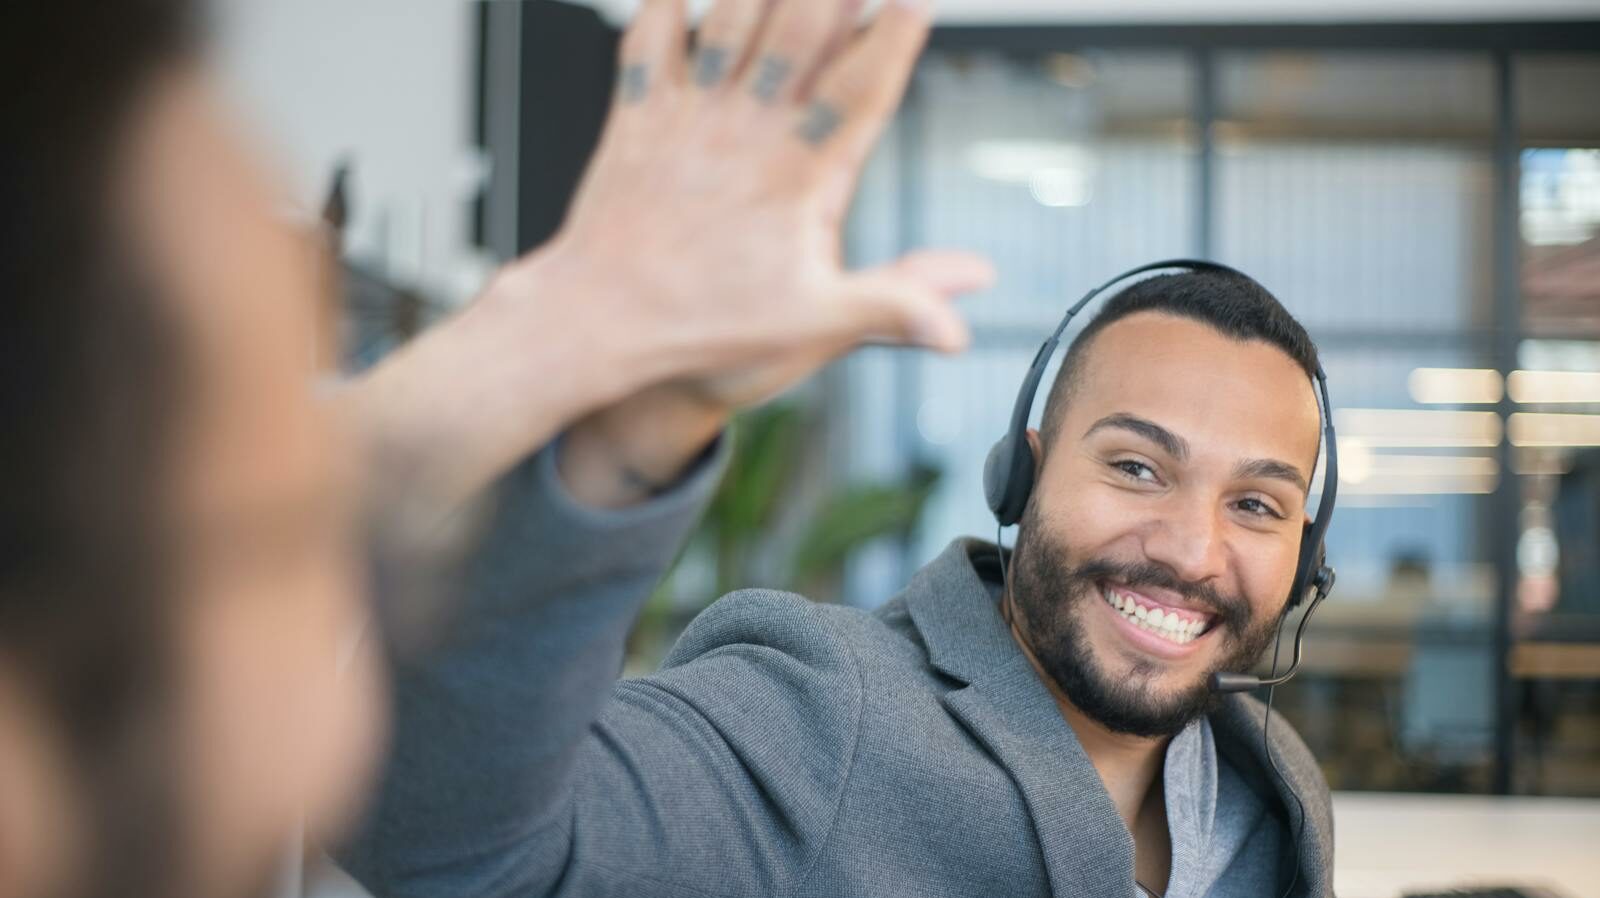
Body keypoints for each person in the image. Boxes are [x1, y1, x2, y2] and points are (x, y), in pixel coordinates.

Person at [0, 0, 988, 897]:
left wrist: (564, 332)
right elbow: (454, 843)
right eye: (301, 547)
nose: (344, 722)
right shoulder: (832, 713)